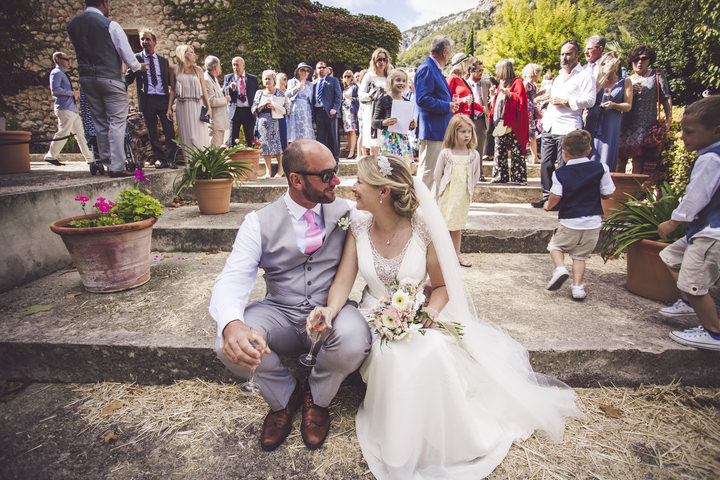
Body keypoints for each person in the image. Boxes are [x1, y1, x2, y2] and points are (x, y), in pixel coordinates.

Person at [308, 154, 582, 479]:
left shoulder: (421, 227)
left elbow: (441, 286)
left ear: (383, 191)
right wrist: (330, 309)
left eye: (361, 182)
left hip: (418, 315)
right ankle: (400, 447)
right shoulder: (358, 225)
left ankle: (449, 437)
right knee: (393, 360)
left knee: (433, 351)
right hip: (372, 318)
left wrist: (432, 310)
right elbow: (343, 280)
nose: (353, 187)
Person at [209, 139, 371, 451]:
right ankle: (284, 397)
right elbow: (232, 278)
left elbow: (388, 227)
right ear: (296, 180)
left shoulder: (347, 212)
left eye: (335, 171)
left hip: (330, 313)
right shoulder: (258, 223)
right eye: (326, 175)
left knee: (355, 339)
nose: (336, 181)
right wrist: (232, 324)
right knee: (224, 342)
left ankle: (317, 396)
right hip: (279, 313)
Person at [656, 95, 720, 351]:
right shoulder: (711, 154)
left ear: (716, 130)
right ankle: (687, 303)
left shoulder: (710, 159)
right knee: (671, 255)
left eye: (689, 131)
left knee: (692, 285)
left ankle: (714, 332)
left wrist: (673, 221)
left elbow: (697, 196)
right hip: (703, 229)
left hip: (711, 233)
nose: (682, 137)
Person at [67, 0, 146, 178]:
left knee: (100, 122)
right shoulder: (110, 25)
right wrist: (139, 67)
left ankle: (107, 161)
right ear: (104, 3)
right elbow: (128, 57)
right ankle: (117, 166)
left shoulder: (73, 25)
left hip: (87, 78)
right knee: (117, 121)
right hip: (110, 77)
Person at [543, 130, 615, 300]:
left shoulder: (560, 173)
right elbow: (608, 191)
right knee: (580, 256)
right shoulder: (601, 168)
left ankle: (560, 268)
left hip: (570, 220)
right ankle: (577, 288)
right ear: (589, 150)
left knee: (555, 246)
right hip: (593, 222)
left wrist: (548, 205)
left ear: (564, 152)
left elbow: (556, 196)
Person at [532, 40, 595, 207]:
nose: (564, 57)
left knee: (563, 165)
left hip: (568, 126)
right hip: (550, 124)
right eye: (562, 54)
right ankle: (547, 197)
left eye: (568, 54)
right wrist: (545, 97)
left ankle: (562, 199)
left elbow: (590, 100)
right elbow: (555, 95)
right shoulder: (559, 76)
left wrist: (566, 101)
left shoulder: (585, 76)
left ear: (577, 55)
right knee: (546, 163)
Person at [434, 114, 482, 267]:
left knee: (457, 227)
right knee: (443, 226)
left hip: (462, 197)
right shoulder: (446, 154)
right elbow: (437, 175)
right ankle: (440, 255)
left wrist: (469, 192)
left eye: (469, 131)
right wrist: (441, 192)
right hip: (447, 196)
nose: (467, 135)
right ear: (453, 133)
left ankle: (456, 255)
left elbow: (475, 175)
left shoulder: (473, 155)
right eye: (462, 132)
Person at [125, 31, 177, 169]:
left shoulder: (163, 61)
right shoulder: (136, 59)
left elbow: (170, 82)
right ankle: (161, 159)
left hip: (162, 99)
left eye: (148, 39)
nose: (144, 42)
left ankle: (171, 159)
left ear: (155, 42)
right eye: (142, 39)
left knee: (169, 129)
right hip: (147, 99)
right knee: (152, 131)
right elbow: (128, 79)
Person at [617, 45, 672, 176]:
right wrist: (631, 93)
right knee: (620, 160)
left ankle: (635, 195)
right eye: (636, 59)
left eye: (644, 58)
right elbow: (620, 102)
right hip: (626, 125)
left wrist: (669, 118)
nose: (639, 62)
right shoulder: (627, 79)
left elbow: (666, 97)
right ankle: (618, 194)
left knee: (639, 160)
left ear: (650, 60)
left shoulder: (657, 75)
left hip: (645, 125)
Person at [415, 35, 459, 192]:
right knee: (427, 172)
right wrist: (447, 106)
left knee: (435, 173)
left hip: (439, 129)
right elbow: (422, 99)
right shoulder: (427, 68)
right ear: (445, 52)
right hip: (432, 130)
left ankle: (430, 210)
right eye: (450, 52)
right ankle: (418, 209)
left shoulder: (433, 68)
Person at [43, 52, 94, 167]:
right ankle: (51, 156)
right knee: (63, 132)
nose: (68, 62)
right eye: (66, 59)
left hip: (71, 109)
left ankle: (90, 158)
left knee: (80, 134)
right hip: (64, 108)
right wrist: (73, 93)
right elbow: (55, 90)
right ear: (57, 59)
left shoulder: (62, 74)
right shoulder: (56, 73)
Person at [585, 52, 633, 172]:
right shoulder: (594, 80)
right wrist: (604, 75)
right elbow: (589, 97)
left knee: (607, 152)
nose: (607, 66)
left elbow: (628, 106)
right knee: (591, 151)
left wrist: (614, 105)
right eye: (604, 64)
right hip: (594, 120)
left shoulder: (625, 81)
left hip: (611, 121)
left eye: (610, 63)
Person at [167, 45, 211, 158]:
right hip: (183, 105)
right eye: (191, 52)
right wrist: (169, 108)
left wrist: (208, 107)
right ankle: (190, 164)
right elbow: (172, 90)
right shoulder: (174, 69)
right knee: (188, 136)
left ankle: (203, 163)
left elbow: (204, 90)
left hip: (198, 104)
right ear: (183, 54)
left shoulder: (198, 70)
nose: (194, 54)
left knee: (199, 136)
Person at [490, 58, 529, 185]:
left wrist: (510, 94)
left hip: (513, 122)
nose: (496, 72)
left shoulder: (517, 82)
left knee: (516, 149)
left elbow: (521, 101)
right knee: (499, 148)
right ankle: (500, 175)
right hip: (501, 121)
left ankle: (519, 177)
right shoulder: (501, 83)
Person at [371, 69, 417, 166]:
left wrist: (412, 125)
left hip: (403, 139)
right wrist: (384, 123)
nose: (401, 83)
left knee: (403, 166)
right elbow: (374, 122)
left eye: (404, 81)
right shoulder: (384, 100)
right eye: (398, 80)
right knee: (389, 166)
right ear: (391, 81)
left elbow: (407, 124)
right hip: (388, 139)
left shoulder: (407, 102)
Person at [252, 70, 290, 178]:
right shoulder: (259, 93)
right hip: (263, 124)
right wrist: (262, 105)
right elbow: (253, 109)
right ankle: (268, 172)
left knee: (279, 146)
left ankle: (280, 170)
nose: (267, 81)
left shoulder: (281, 93)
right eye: (265, 79)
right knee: (265, 146)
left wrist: (275, 106)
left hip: (278, 122)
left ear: (274, 80)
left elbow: (287, 110)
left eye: (269, 79)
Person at [359, 48, 392, 155]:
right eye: (379, 60)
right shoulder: (369, 76)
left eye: (384, 59)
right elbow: (361, 95)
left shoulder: (390, 76)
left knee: (386, 141)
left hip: (387, 111)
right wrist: (373, 95)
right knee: (374, 143)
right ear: (374, 61)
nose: (382, 62)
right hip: (373, 111)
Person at [223, 56, 259, 147]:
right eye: (233, 65)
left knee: (250, 136)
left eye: (237, 65)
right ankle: (233, 158)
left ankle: (250, 157)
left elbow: (257, 94)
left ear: (243, 65)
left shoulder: (252, 79)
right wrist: (230, 88)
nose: (235, 67)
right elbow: (223, 91)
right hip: (235, 110)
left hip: (248, 110)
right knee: (233, 137)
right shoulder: (228, 78)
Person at [311, 61, 342, 163]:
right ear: (316, 70)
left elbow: (338, 96)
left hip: (330, 112)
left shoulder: (333, 80)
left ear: (327, 69)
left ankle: (335, 158)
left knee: (333, 137)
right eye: (319, 68)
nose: (321, 69)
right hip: (318, 112)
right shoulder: (314, 83)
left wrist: (335, 108)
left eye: (323, 67)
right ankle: (323, 158)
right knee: (321, 137)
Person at [466, 59, 490, 173]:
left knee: (480, 148)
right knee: (468, 147)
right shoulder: (465, 83)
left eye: (482, 70)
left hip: (481, 119)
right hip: (469, 119)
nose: (480, 72)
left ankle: (479, 172)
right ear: (471, 71)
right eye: (478, 70)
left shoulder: (486, 84)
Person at [203, 55, 230, 148]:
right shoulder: (206, 79)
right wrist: (225, 100)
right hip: (215, 120)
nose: (221, 68)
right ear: (215, 67)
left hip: (220, 120)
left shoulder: (213, 78)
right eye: (220, 66)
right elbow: (210, 101)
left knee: (219, 149)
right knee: (214, 149)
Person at [447, 53, 483, 120]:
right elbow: (446, 100)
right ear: (462, 65)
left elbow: (469, 101)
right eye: (467, 63)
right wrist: (462, 100)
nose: (469, 66)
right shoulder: (451, 78)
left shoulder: (462, 79)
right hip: (456, 119)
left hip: (466, 118)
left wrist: (482, 108)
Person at [286, 62, 315, 143]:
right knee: (295, 132)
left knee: (306, 131)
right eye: (303, 70)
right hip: (295, 108)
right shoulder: (292, 82)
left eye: (307, 70)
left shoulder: (311, 85)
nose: (305, 72)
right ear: (298, 71)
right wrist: (297, 87)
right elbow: (287, 94)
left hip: (306, 109)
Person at [522, 63, 544, 165]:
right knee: (530, 134)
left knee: (533, 135)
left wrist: (539, 94)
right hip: (526, 110)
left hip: (531, 110)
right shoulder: (526, 84)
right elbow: (522, 97)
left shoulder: (532, 84)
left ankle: (534, 157)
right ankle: (532, 156)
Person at [341, 69, 359, 159]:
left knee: (352, 131)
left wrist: (350, 98)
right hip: (345, 111)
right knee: (348, 132)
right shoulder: (345, 88)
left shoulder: (355, 87)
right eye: (345, 76)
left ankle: (352, 151)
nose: (347, 78)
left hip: (351, 111)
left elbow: (359, 99)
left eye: (349, 76)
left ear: (352, 77)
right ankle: (350, 149)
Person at [276, 72, 289, 151]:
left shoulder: (287, 90)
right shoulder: (276, 91)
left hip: (287, 115)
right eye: (283, 79)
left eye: (286, 79)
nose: (285, 81)